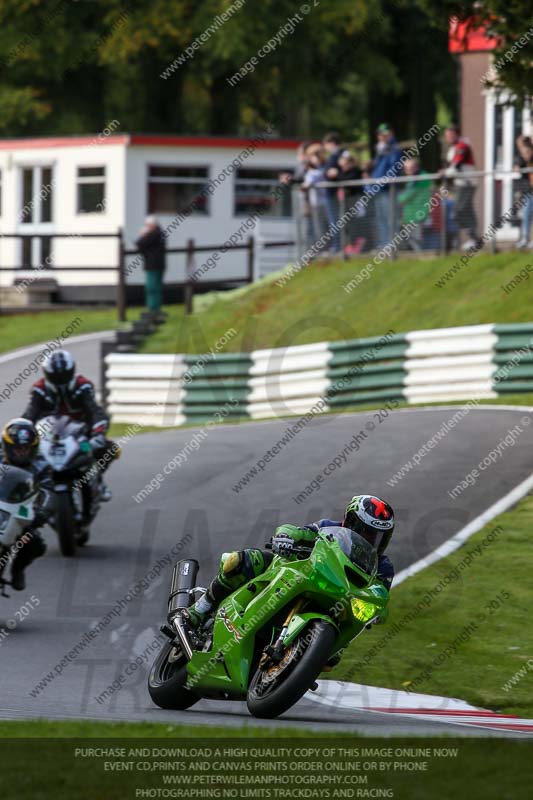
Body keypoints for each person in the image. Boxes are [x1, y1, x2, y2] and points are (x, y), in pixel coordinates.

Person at [183, 494, 395, 652]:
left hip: (336, 600)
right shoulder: (327, 528)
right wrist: (285, 536)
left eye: (379, 537)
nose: (371, 541)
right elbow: (297, 531)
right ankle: (200, 609)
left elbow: (380, 595)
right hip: (296, 574)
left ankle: (304, 658)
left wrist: (377, 612)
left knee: (335, 651)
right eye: (367, 532)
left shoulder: (383, 567)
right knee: (240, 561)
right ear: (350, 523)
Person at [22, 350, 119, 503]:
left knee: (110, 449)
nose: (60, 380)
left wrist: (98, 433)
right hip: (48, 440)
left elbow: (95, 412)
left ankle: (98, 480)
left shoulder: (82, 387)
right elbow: (29, 416)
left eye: (64, 375)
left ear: (72, 370)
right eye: (56, 376)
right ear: (47, 373)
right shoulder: (39, 390)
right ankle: (31, 492)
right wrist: (23, 434)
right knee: (24, 456)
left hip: (80, 440)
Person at [0, 418, 54, 590]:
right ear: (7, 446)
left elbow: (48, 492)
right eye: (17, 449)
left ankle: (18, 570)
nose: (21, 453)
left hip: (20, 513)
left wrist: (42, 511)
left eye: (25, 449)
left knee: (34, 544)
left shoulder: (42, 466)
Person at [443, 124, 477, 251]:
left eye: (451, 134)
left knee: (461, 209)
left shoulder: (462, 145)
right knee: (464, 210)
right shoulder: (452, 148)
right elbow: (450, 167)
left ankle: (472, 238)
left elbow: (456, 165)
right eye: (446, 135)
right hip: (459, 184)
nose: (448, 137)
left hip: (466, 183)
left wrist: (445, 173)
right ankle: (472, 238)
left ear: (457, 134)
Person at [370, 123, 403, 249]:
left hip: (389, 189)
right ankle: (384, 244)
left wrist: (384, 151)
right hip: (378, 189)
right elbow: (377, 169)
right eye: (380, 134)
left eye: (384, 134)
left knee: (390, 218)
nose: (381, 137)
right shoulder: (381, 149)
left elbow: (393, 166)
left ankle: (392, 245)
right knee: (381, 218)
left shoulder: (394, 148)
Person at [397, 158, 432, 251]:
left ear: (416, 167)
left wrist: (397, 199)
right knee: (412, 237)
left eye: (409, 168)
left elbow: (408, 195)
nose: (406, 171)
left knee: (416, 238)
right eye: (406, 169)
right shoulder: (415, 177)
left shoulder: (419, 178)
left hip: (417, 213)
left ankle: (421, 255)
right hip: (413, 213)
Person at [135, 215, 167, 315]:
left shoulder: (154, 234)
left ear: (151, 225)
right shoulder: (160, 233)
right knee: (157, 287)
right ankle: (156, 309)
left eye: (147, 225)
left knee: (151, 288)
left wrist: (142, 235)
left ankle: (152, 309)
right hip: (159, 265)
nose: (146, 227)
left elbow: (140, 243)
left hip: (152, 265)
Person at [300, 144, 329, 250]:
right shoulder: (310, 170)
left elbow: (306, 185)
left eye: (313, 155)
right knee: (316, 228)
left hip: (321, 203)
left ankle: (324, 250)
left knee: (321, 229)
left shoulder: (317, 171)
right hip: (314, 203)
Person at [322, 132, 344, 253]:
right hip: (330, 193)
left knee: (336, 220)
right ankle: (336, 245)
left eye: (326, 144)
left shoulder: (341, 154)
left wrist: (335, 173)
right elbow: (326, 173)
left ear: (332, 143)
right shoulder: (333, 156)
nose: (325, 148)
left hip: (336, 193)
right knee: (333, 221)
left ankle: (338, 246)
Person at [514, 135, 533, 249]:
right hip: (527, 191)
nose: (524, 153)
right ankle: (524, 238)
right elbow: (517, 165)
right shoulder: (520, 159)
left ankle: (526, 238)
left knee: (527, 213)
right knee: (525, 214)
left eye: (526, 151)